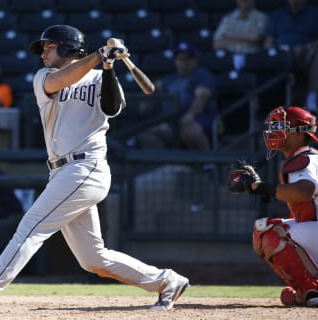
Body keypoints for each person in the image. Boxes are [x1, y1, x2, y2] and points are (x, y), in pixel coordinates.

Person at [0, 24, 189, 315]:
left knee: (29, 229)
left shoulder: (99, 76)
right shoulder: (45, 77)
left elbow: (112, 107)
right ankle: (168, 281)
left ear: (67, 48)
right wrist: (99, 55)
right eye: (43, 48)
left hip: (86, 167)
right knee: (93, 259)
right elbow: (62, 80)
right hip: (63, 172)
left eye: (49, 47)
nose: (43, 53)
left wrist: (107, 66)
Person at [227, 106, 318, 307]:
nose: (273, 131)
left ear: (299, 132)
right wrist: (260, 189)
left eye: (280, 126)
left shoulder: (302, 159)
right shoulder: (310, 157)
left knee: (266, 231)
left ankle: (311, 289)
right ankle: (307, 290)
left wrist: (261, 187)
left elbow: (305, 190)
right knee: (276, 226)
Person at [138, 42, 218, 150]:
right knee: (146, 134)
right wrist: (147, 101)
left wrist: (190, 115)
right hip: (173, 122)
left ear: (195, 60)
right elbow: (154, 87)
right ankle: (168, 164)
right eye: (179, 58)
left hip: (199, 118)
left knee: (189, 131)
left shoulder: (202, 75)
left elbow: (201, 98)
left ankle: (208, 163)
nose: (183, 62)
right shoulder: (171, 78)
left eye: (187, 58)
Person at [264, 0, 318, 110]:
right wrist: (273, 50)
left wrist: (307, 47)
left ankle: (312, 96)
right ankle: (267, 103)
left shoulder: (314, 14)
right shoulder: (278, 15)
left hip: (306, 53)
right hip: (281, 52)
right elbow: (268, 41)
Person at [213, 0, 268, 69]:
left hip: (251, 58)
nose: (244, 1)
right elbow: (216, 44)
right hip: (229, 57)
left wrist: (229, 36)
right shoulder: (228, 17)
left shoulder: (261, 17)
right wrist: (246, 38)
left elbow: (255, 37)